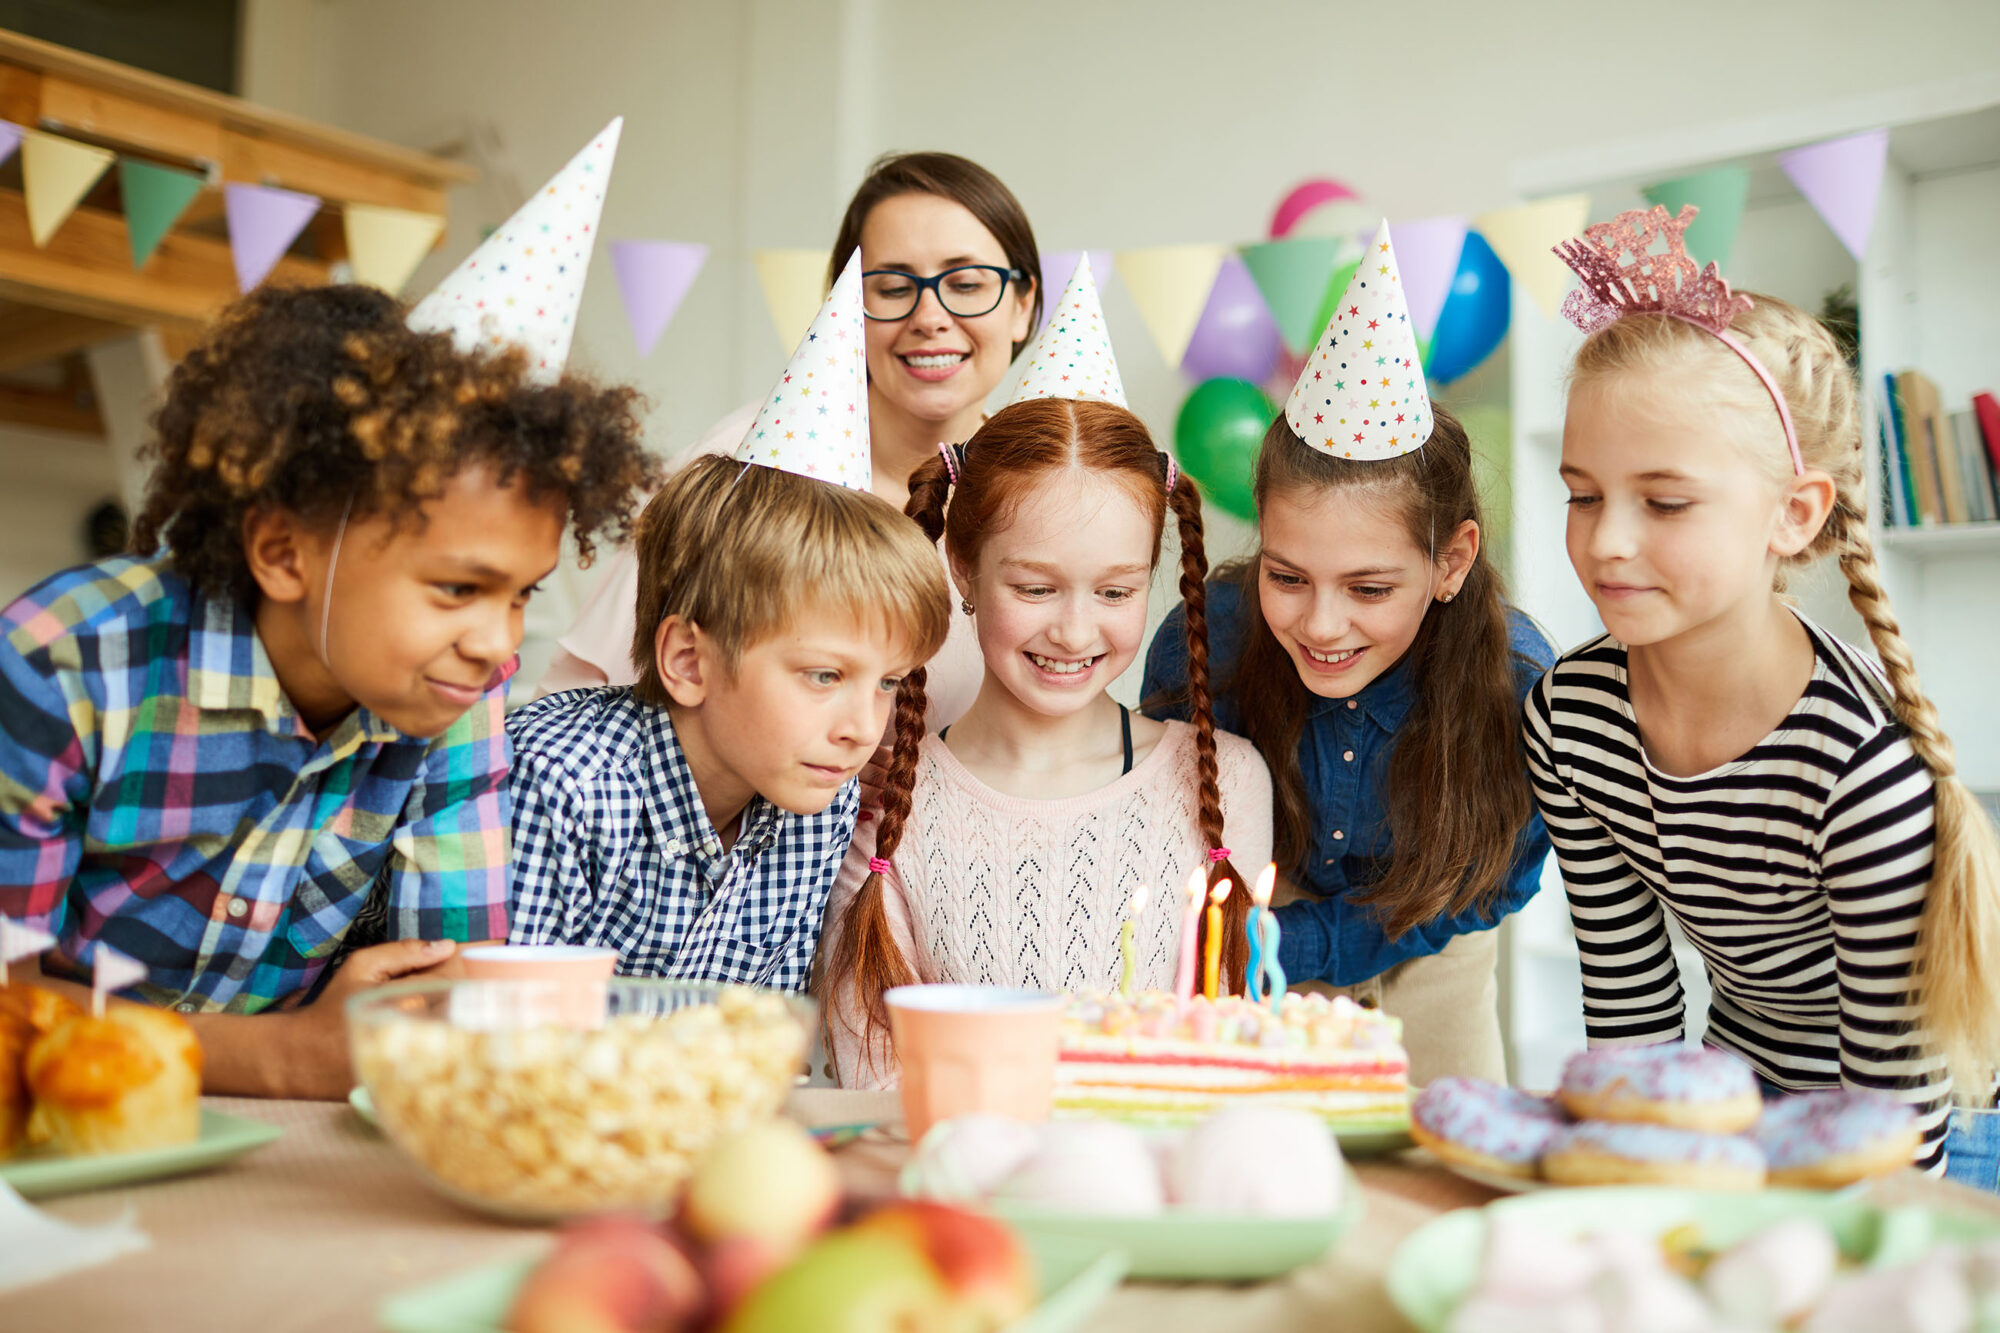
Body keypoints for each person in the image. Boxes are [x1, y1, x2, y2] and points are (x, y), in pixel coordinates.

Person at [0, 284, 653, 1099]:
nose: (500, 644)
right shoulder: (62, 664)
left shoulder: (455, 694)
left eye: (521, 594)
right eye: (457, 587)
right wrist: (280, 1055)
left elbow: (444, 981)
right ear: (283, 552)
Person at [1523, 204, 2000, 1178]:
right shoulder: (1569, 720)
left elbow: (1890, 1145)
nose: (1606, 540)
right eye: (1581, 494)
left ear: (1791, 514)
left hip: (1936, 1130)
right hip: (1747, 1099)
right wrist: (1631, 1179)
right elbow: (1630, 1009)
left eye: (1663, 501)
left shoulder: (1859, 766)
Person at [821, 261, 1271, 1086]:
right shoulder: (890, 811)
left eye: (1114, 590)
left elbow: (1229, 1058)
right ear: (962, 566)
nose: (1073, 629)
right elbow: (876, 1078)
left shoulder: (1227, 782)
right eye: (1034, 587)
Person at [1145, 226, 1554, 1086]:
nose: (1322, 625)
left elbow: (1500, 877)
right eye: (1288, 576)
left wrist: (1327, 941)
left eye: (1368, 589)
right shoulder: (1206, 641)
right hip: (1254, 959)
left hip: (1433, 951)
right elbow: (1161, 824)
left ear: (1450, 561)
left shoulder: (1514, 681)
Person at [506, 258, 952, 990]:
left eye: (889, 683)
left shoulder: (817, 800)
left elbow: (753, 1041)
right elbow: (501, 1050)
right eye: (824, 675)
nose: (861, 728)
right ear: (687, 659)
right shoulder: (560, 786)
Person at [538, 150, 1047, 727]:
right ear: (847, 305)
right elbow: (581, 698)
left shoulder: (1045, 491)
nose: (929, 315)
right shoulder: (744, 462)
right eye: (891, 286)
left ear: (1022, 305)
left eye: (967, 282)